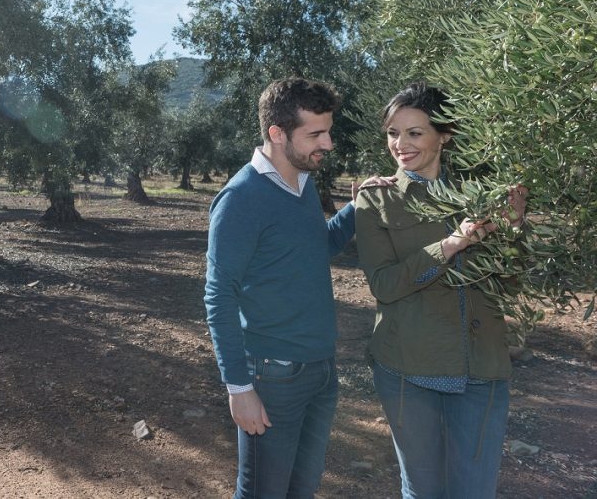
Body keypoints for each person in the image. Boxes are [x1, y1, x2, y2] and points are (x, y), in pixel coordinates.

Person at [205, 77, 395, 499]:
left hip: (320, 371)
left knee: (301, 491)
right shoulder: (240, 199)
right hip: (272, 376)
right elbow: (219, 296)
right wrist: (239, 388)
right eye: (315, 134)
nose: (327, 143)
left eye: (328, 131)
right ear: (277, 133)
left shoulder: (303, 183)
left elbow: (316, 248)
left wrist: (356, 206)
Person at [354, 82, 527, 499]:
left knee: (474, 490)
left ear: (443, 135)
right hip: (407, 368)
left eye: (415, 132)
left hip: (481, 369)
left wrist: (515, 227)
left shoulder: (481, 195)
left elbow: (511, 282)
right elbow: (385, 285)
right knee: (423, 490)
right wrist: (450, 245)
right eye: (393, 133)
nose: (400, 144)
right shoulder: (376, 199)